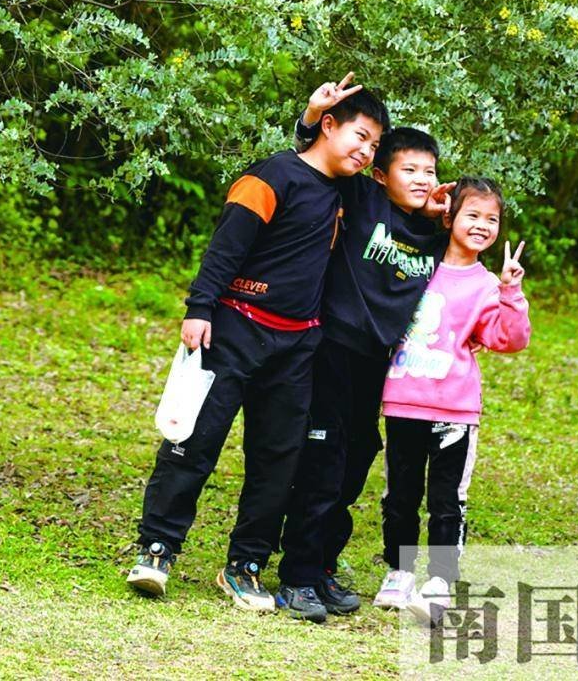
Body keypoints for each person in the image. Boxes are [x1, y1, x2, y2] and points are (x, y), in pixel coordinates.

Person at [127, 89, 389, 612]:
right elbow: (226, 245)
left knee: (276, 460)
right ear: (330, 125)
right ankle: (156, 550)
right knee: (192, 444)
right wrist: (200, 307)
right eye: (360, 136)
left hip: (298, 346)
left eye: (374, 146)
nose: (366, 152)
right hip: (232, 328)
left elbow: (396, 202)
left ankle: (244, 566)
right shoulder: (270, 176)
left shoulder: (350, 195)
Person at [275, 76, 449, 622]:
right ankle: (298, 575)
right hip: (332, 348)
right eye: (409, 169)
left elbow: (480, 221)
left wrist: (452, 216)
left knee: (357, 458)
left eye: (430, 171)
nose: (422, 180)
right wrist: (310, 118)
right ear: (381, 174)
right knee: (324, 456)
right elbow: (317, 158)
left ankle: (323, 563)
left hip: (380, 363)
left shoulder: (437, 232)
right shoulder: (362, 196)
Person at [375, 175, 530, 626]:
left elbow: (508, 339)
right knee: (399, 494)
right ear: (450, 217)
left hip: (454, 411)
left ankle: (440, 580)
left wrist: (511, 292)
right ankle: (398, 572)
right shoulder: (415, 267)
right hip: (403, 401)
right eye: (473, 215)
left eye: (492, 219)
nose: (482, 225)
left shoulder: (486, 285)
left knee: (447, 499)